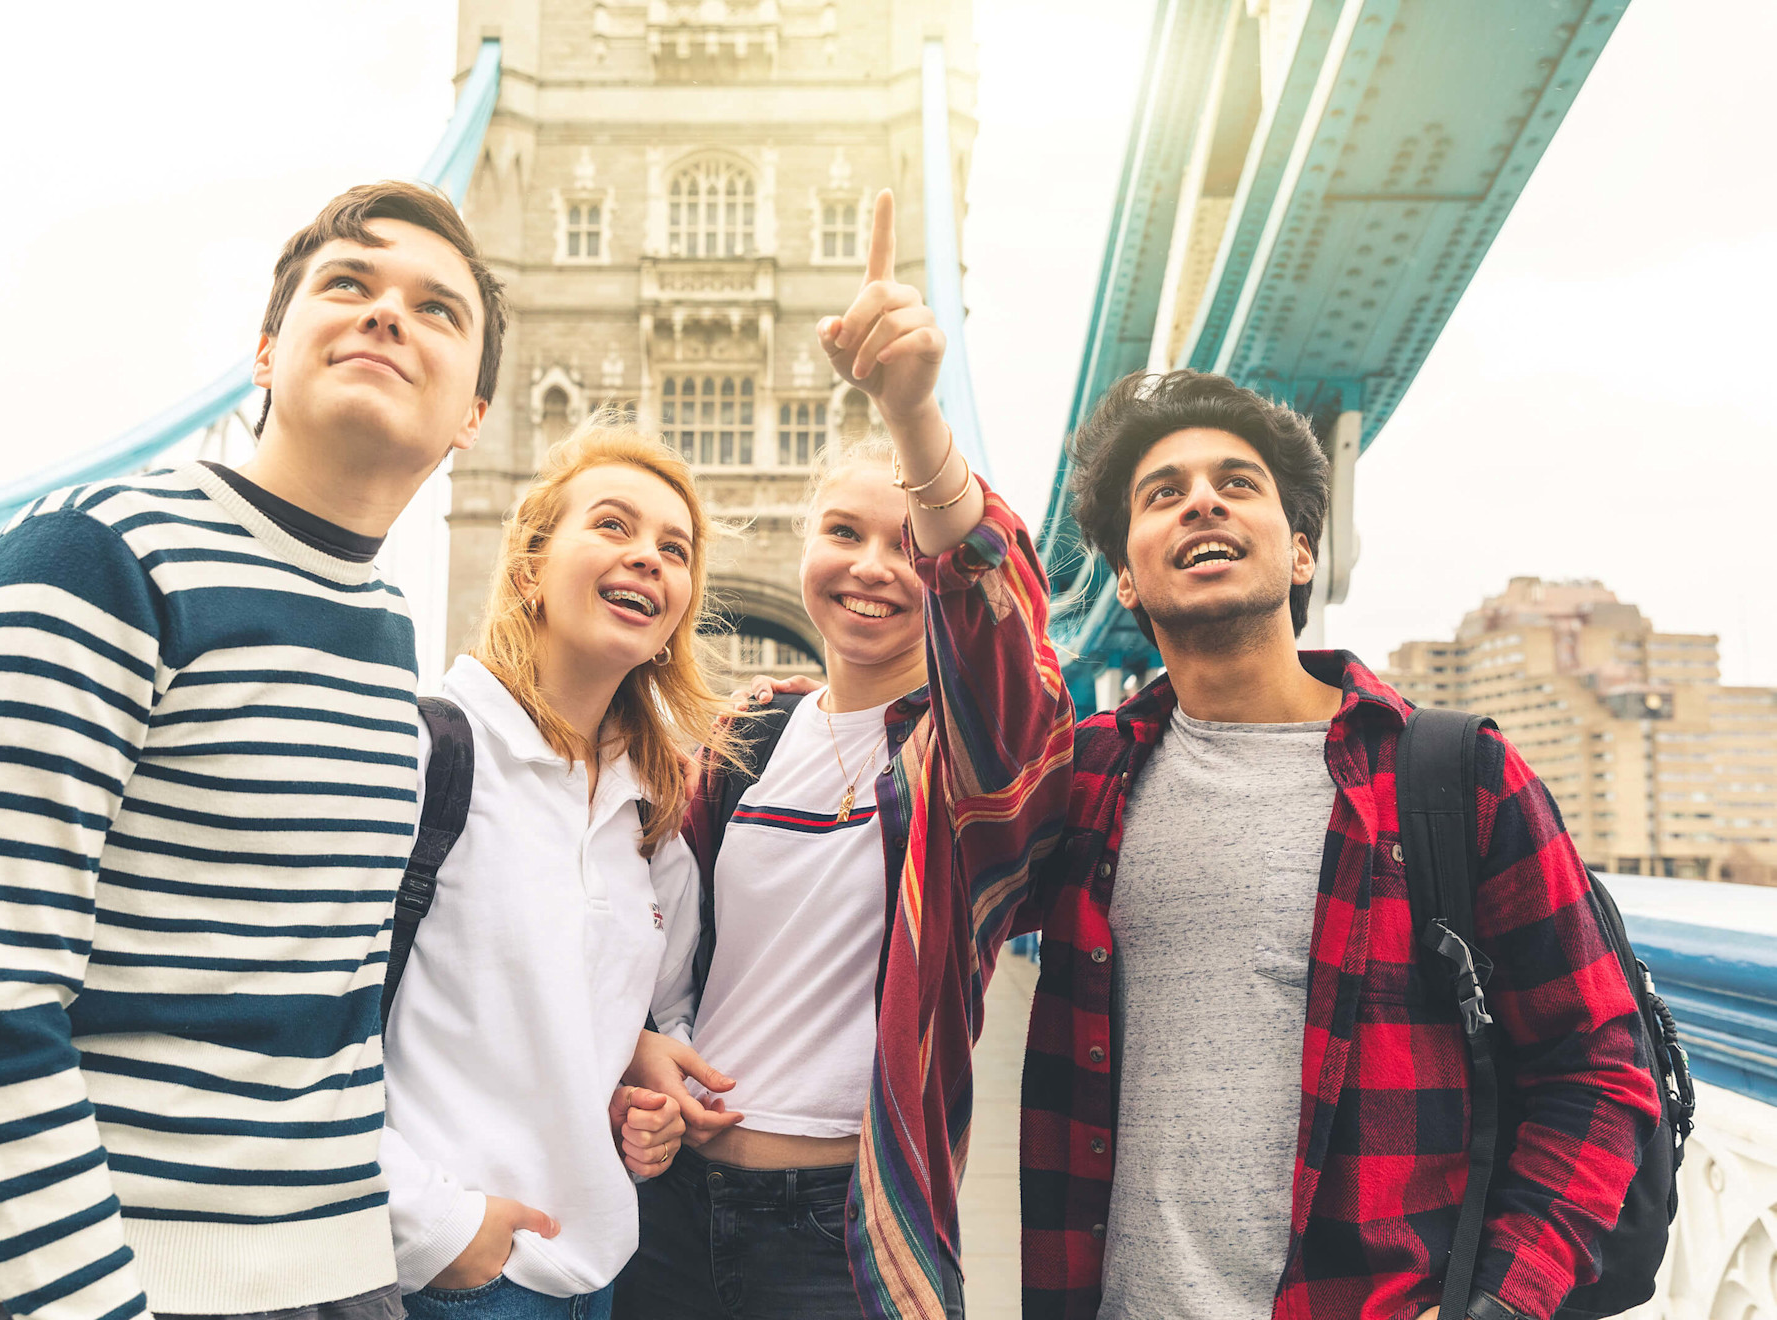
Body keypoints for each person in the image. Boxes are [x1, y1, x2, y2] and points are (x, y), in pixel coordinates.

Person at [0, 179, 505, 1320]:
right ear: (266, 352)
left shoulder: (383, 628)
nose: (386, 314)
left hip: (331, 1278)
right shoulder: (91, 560)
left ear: (474, 418)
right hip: (68, 1287)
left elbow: (327, 1002)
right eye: (347, 284)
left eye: (437, 308)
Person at [1018, 369, 1661, 1320]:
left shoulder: (1455, 777)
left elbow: (1599, 1066)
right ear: (1124, 573)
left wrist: (1502, 1305)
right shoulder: (1080, 780)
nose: (1202, 499)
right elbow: (909, 819)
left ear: (1303, 552)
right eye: (1163, 493)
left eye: (1238, 483)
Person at [615, 190, 1074, 1320]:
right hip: (669, 1212)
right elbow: (621, 938)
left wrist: (913, 417)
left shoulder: (966, 764)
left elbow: (994, 614)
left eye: (901, 540)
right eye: (841, 534)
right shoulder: (734, 745)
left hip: (841, 1235)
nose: (875, 566)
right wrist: (640, 1054)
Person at [378, 419, 734, 1320]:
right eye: (613, 526)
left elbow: (657, 1007)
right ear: (531, 566)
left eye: (674, 548)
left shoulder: (649, 816)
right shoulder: (424, 756)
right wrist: (432, 1225)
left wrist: (632, 1085)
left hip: (596, 1274)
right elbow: (301, 1023)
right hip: (441, 1275)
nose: (648, 557)